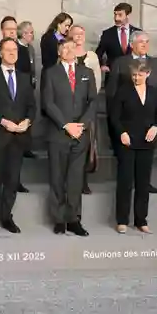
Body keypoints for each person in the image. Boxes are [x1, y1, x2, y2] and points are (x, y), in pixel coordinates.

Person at [105, 30, 157, 194]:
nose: (145, 45)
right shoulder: (121, 62)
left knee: (146, 160)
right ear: (132, 44)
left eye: (147, 41)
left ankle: (144, 184)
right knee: (126, 164)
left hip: (149, 121)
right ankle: (128, 187)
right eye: (141, 42)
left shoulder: (155, 63)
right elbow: (111, 92)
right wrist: (114, 122)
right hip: (127, 120)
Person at [0, 38, 36, 235]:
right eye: (8, 50)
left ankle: (6, 216)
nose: (12, 53)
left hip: (18, 137)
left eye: (15, 50)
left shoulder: (24, 77)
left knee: (12, 180)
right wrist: (2, 122)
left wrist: (27, 121)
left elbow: (31, 106)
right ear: (0, 54)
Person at [42, 39, 97, 236]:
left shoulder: (86, 72)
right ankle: (59, 219)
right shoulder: (50, 73)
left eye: (72, 47)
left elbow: (93, 102)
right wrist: (66, 125)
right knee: (57, 177)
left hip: (80, 133)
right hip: (58, 132)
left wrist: (81, 125)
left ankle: (73, 219)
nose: (68, 50)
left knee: (75, 179)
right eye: (64, 47)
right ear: (59, 52)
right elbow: (48, 103)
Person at [110, 59, 157, 234]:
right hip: (127, 141)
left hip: (147, 143)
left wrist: (156, 128)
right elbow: (114, 117)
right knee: (125, 182)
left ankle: (141, 220)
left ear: (148, 74)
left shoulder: (155, 93)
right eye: (133, 75)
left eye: (140, 75)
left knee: (143, 183)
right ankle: (122, 220)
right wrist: (122, 132)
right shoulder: (123, 91)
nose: (136, 78)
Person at [0, 16, 32, 193]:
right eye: (8, 29)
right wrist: (2, 120)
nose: (11, 32)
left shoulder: (23, 55)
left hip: (19, 125)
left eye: (14, 29)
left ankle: (14, 186)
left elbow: (29, 97)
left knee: (13, 174)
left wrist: (27, 120)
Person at [70, 25, 102, 194]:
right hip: (69, 107)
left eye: (81, 34)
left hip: (87, 107)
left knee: (86, 144)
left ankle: (83, 181)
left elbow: (97, 81)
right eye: (75, 34)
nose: (79, 36)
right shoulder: (66, 53)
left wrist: (91, 101)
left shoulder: (92, 56)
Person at [95, 2, 140, 77]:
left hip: (134, 76)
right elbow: (98, 53)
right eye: (115, 15)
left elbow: (143, 52)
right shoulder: (107, 33)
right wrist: (101, 65)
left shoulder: (138, 32)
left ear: (128, 15)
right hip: (113, 75)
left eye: (120, 15)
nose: (116, 18)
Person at [18, 20, 37, 159]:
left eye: (32, 32)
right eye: (29, 32)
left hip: (29, 87)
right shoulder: (16, 48)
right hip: (18, 87)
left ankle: (27, 147)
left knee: (29, 116)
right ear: (22, 34)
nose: (31, 35)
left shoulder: (31, 49)